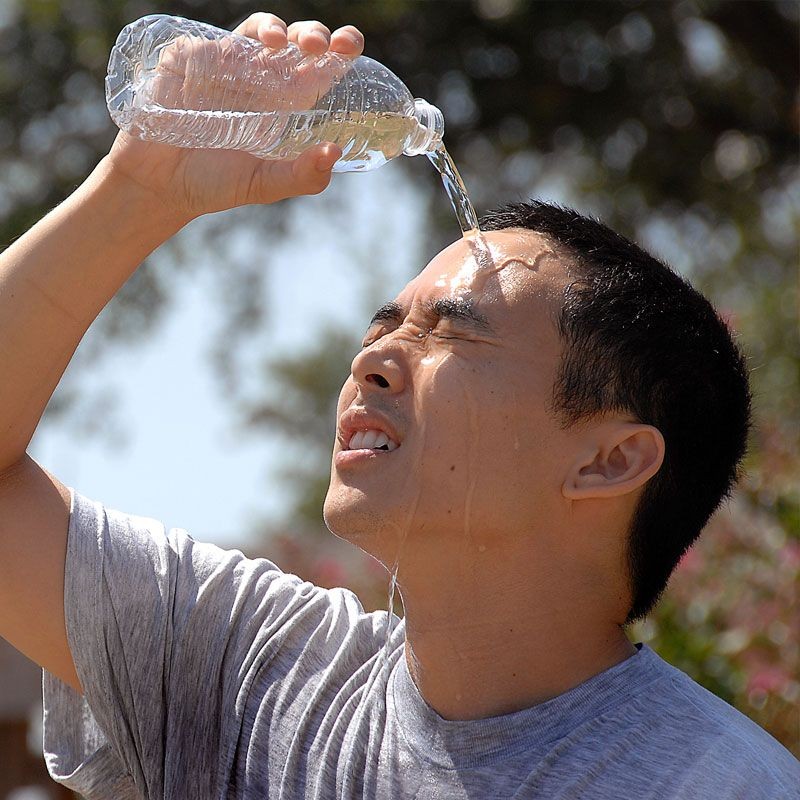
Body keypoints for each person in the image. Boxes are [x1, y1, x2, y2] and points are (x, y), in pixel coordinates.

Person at [0, 11, 796, 800]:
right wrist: (135, 192)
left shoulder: (717, 783)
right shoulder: (252, 674)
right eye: (385, 327)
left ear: (608, 459)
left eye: (452, 335)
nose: (372, 361)